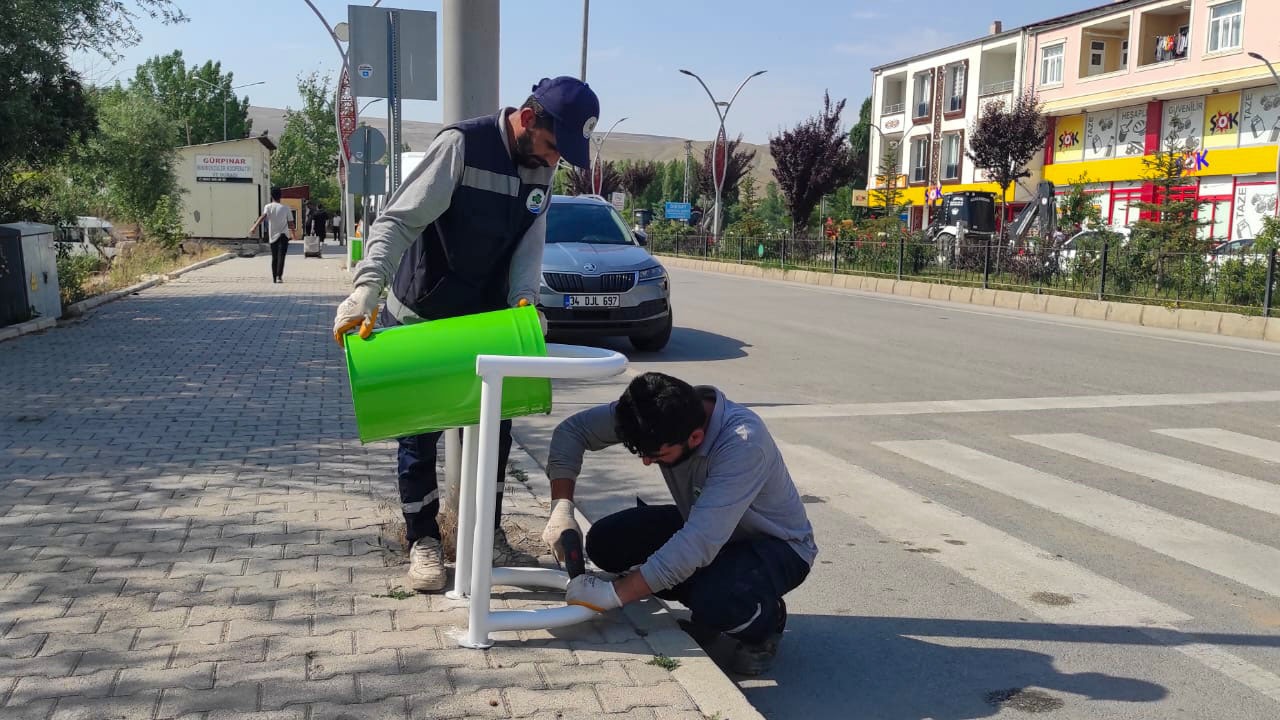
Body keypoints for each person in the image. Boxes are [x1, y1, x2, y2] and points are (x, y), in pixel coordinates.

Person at [333, 76, 601, 593]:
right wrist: (366, 288)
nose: (554, 161)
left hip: (485, 323)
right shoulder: (461, 145)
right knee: (419, 435)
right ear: (529, 118)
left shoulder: (542, 169)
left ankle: (488, 536)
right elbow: (399, 221)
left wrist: (526, 302)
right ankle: (423, 541)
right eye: (552, 146)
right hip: (425, 315)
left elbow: (530, 241)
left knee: (494, 433)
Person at [543, 372, 817, 675]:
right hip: (707, 525)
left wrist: (613, 595)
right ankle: (712, 597)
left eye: (656, 455)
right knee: (606, 543)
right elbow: (572, 431)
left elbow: (698, 542)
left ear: (695, 438)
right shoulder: (653, 412)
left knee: (714, 598)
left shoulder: (743, 443)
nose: (647, 462)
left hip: (776, 545)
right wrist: (561, 509)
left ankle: (765, 621)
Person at [248, 187, 295, 283]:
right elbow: (291, 223)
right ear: (280, 196)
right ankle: (279, 276)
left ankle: (274, 277)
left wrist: (254, 227)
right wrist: (293, 234)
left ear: (271, 196)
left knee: (275, 257)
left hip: (273, 236)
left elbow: (263, 217)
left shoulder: (268, 207)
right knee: (282, 256)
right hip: (284, 236)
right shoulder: (286, 208)